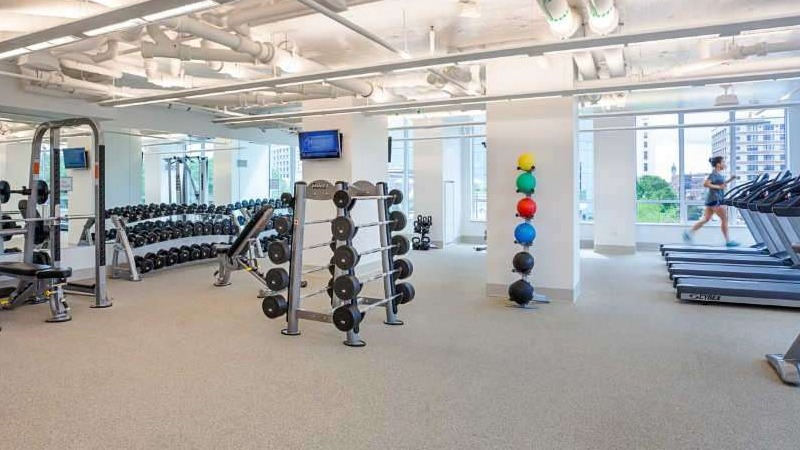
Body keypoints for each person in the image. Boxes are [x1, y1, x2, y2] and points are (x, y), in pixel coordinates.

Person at [683, 156, 739, 246]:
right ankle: (728, 241)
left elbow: (721, 185)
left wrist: (730, 180)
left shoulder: (718, 174)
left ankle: (689, 233)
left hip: (711, 200)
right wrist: (718, 187)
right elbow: (705, 184)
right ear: (718, 164)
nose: (725, 164)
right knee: (724, 219)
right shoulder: (714, 174)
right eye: (723, 162)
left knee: (706, 219)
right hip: (715, 200)